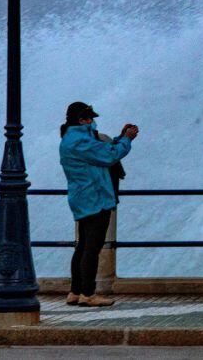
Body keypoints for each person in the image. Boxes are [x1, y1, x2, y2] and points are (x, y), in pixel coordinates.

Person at [59, 101, 138, 307]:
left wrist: (121, 137)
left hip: (83, 197)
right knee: (92, 248)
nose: (92, 121)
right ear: (81, 120)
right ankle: (88, 294)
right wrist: (127, 140)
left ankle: (75, 292)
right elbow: (109, 155)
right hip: (94, 198)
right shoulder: (80, 141)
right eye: (89, 118)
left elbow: (103, 149)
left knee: (83, 246)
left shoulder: (75, 138)